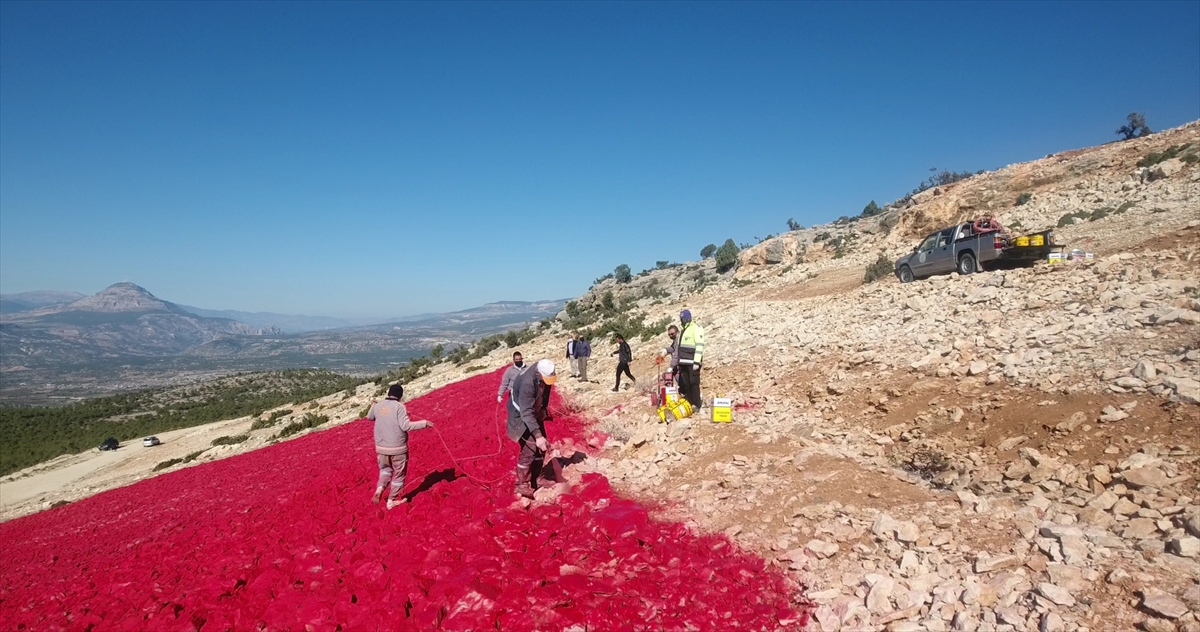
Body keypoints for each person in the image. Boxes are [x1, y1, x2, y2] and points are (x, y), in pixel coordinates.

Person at [368, 383, 432, 510]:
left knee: (385, 470)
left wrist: (373, 406)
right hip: (398, 448)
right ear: (400, 395)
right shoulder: (400, 407)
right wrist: (424, 423)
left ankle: (380, 489)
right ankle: (391, 501)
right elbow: (405, 426)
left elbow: (370, 417)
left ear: (389, 393)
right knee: (399, 475)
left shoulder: (378, 406)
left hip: (381, 448)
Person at [507, 359, 557, 499]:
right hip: (520, 416)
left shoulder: (544, 373)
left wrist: (543, 409)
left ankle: (537, 478)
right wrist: (538, 436)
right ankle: (522, 484)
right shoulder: (527, 383)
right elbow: (526, 412)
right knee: (529, 449)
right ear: (538, 373)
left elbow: (546, 391)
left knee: (542, 446)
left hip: (533, 412)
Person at [676, 309, 706, 409]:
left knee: (694, 383)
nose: (683, 320)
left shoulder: (696, 328)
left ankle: (696, 404)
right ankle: (689, 402)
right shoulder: (683, 330)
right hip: (683, 362)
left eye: (684, 318)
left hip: (692, 362)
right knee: (686, 384)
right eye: (682, 319)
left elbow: (699, 345)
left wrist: (696, 362)